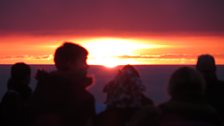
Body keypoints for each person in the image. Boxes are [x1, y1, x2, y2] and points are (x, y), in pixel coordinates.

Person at [30, 42, 95, 126]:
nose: (87, 65)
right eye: (83, 60)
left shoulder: (43, 90)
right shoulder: (81, 97)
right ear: (69, 63)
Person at [196, 54, 224, 120]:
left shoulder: (191, 92)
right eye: (202, 71)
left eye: (208, 71)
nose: (204, 75)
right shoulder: (191, 92)